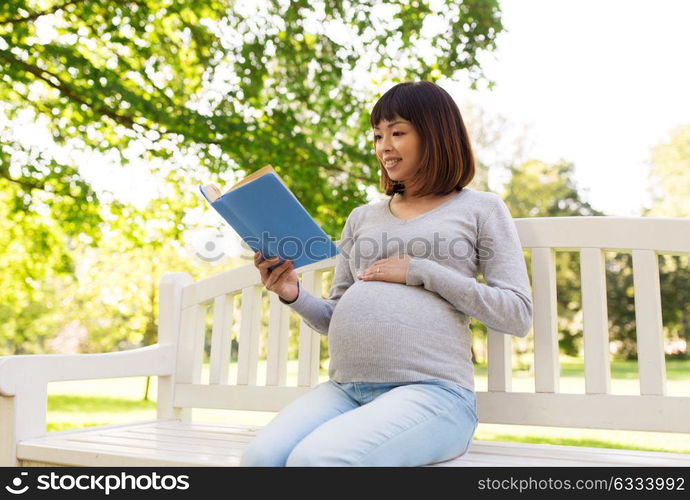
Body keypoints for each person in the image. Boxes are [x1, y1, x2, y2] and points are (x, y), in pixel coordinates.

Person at [239, 81, 533, 467]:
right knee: (260, 460)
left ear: (436, 135)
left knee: (316, 462)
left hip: (434, 394)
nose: (384, 146)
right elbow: (335, 316)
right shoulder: (362, 217)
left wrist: (421, 270)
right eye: (378, 135)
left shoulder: (480, 208)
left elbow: (517, 314)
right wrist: (293, 293)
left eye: (398, 132)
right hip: (347, 391)